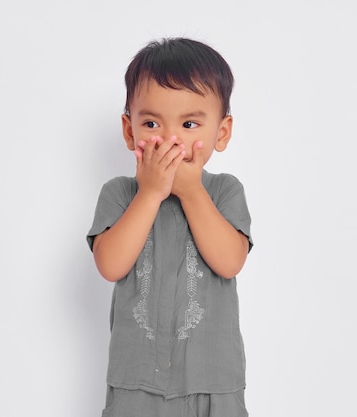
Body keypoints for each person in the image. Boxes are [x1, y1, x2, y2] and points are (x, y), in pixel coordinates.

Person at [86, 38, 253, 417]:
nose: (171, 140)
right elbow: (110, 265)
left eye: (190, 123)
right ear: (129, 132)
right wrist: (150, 193)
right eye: (151, 123)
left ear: (221, 133)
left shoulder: (225, 190)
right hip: (136, 381)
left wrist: (191, 190)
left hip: (214, 380)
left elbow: (229, 262)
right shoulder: (120, 193)